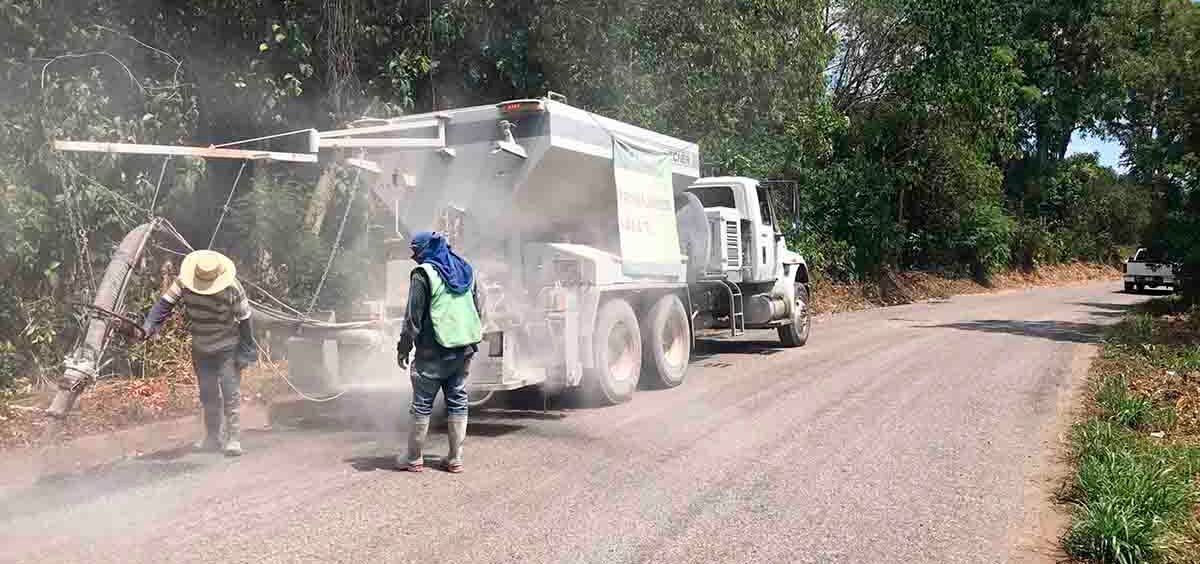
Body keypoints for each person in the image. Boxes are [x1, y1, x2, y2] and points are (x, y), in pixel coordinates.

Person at [140, 250, 256, 456]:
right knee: (208, 393)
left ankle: (233, 438)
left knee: (230, 392)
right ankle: (212, 437)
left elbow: (245, 320)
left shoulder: (232, 287)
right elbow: (164, 305)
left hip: (227, 347)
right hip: (201, 347)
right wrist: (150, 325)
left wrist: (246, 351)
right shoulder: (184, 281)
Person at [396, 231, 484, 473]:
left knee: (422, 403)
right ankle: (455, 458)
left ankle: (413, 458)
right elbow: (478, 308)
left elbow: (412, 317)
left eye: (417, 251)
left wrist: (404, 346)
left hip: (433, 351)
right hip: (463, 347)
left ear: (426, 250)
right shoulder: (465, 269)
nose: (415, 257)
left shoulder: (423, 274)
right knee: (457, 398)